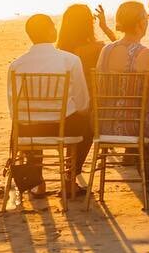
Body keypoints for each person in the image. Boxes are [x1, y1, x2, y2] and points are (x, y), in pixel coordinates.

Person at [8, 14, 91, 198]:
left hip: (28, 132)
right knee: (88, 120)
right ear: (48, 30)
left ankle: (38, 182)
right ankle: (69, 178)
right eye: (53, 26)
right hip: (63, 129)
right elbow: (83, 102)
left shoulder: (16, 65)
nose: (55, 28)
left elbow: (13, 109)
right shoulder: (70, 60)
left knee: (27, 121)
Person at [98, 2, 149, 192]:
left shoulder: (106, 51)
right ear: (141, 23)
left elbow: (100, 89)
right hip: (137, 126)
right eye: (147, 18)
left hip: (105, 125)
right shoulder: (148, 55)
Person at [57, 3, 105, 97]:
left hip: (66, 105)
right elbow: (123, 51)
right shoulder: (98, 49)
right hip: (91, 105)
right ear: (87, 24)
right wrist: (104, 27)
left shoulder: (59, 53)